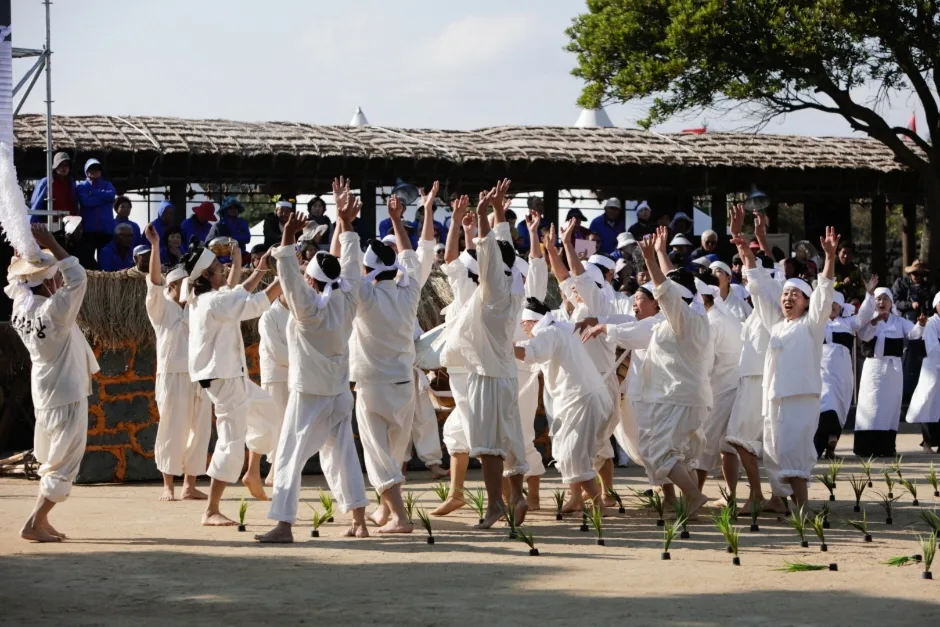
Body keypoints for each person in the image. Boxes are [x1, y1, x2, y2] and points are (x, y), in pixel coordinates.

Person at [257, 179, 370, 542]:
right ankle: (359, 521)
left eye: (308, 275)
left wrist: (287, 236)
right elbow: (349, 262)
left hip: (308, 395)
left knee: (288, 457)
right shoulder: (347, 298)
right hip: (338, 391)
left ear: (313, 281)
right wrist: (345, 222)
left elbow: (289, 277)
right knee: (344, 455)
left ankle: (284, 525)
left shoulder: (309, 311)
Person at [734, 213, 839, 509]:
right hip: (774, 398)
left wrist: (830, 258)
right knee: (775, 452)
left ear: (805, 301)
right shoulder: (777, 325)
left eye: (795, 294)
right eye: (785, 294)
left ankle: (803, 510)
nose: (787, 298)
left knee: (794, 452)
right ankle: (783, 503)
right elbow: (758, 289)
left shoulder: (811, 325)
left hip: (800, 398)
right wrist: (745, 251)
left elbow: (824, 294)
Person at [441, 179, 529, 529]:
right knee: (511, 438)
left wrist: (481, 216)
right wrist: (496, 213)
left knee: (489, 446)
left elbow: (492, 251)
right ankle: (517, 495)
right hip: (505, 373)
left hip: (485, 375)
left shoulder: (494, 292)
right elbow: (503, 247)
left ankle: (495, 505)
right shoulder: (514, 282)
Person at [8, 224, 99, 542]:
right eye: (54, 276)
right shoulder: (53, 312)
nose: (59, 279)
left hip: (46, 390)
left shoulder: (21, 306)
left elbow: (17, 282)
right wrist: (51, 244)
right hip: (65, 391)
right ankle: (34, 522)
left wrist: (24, 256)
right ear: (49, 282)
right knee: (64, 462)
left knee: (53, 459)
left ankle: (41, 520)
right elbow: (78, 278)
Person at [184, 231, 282, 525]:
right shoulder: (212, 301)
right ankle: (211, 510)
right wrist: (284, 277)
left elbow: (239, 293)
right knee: (231, 442)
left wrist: (261, 269)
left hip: (230, 376)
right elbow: (254, 304)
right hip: (224, 379)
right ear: (206, 275)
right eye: (219, 268)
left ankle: (252, 472)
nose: (224, 269)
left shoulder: (210, 298)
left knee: (268, 412)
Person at [347, 191, 425, 534]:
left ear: (368, 270)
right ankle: (385, 509)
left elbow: (349, 266)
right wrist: (396, 220)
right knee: (393, 453)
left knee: (379, 455)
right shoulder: (410, 291)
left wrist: (346, 223)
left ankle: (400, 517)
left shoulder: (364, 295)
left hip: (373, 385)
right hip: (403, 383)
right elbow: (409, 257)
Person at [631, 225, 711, 515]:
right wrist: (662, 253)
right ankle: (690, 505)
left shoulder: (682, 318)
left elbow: (666, 290)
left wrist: (649, 259)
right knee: (680, 455)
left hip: (676, 396)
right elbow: (674, 285)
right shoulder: (694, 313)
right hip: (688, 396)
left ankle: (693, 495)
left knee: (659, 453)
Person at [514, 297, 612, 508]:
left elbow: (531, 352)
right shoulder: (557, 332)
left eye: (524, 324)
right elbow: (527, 347)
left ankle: (599, 505)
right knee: (567, 452)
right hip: (583, 399)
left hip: (581, 400)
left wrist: (502, 347)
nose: (523, 329)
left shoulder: (548, 332)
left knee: (572, 456)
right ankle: (576, 499)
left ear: (532, 321)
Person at [142, 224, 211, 502]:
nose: (189, 287)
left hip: (199, 374)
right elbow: (154, 281)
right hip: (172, 376)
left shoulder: (196, 306)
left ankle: (189, 485)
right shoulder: (160, 307)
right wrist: (155, 246)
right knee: (172, 428)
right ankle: (168, 485)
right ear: (172, 286)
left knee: (200, 430)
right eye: (184, 283)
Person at [722, 212, 781, 513]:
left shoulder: (770, 301)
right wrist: (759, 238)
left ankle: (758, 493)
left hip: (758, 379)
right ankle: (774, 496)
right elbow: (764, 272)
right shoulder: (761, 305)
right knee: (757, 439)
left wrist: (744, 246)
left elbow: (761, 278)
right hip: (752, 378)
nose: (745, 277)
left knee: (740, 437)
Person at [433, 199, 480, 516]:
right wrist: (469, 231)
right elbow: (460, 258)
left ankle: (510, 497)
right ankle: (456, 493)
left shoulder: (467, 289)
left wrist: (455, 222)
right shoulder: (486, 287)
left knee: (483, 436)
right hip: (466, 370)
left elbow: (450, 257)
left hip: (470, 372)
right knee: (457, 433)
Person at [854, 280, 927, 457]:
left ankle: (886, 447)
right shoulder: (869, 320)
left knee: (889, 407)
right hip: (874, 368)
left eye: (885, 299)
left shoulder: (899, 321)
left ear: (891, 302)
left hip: (893, 371)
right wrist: (875, 322)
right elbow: (863, 335)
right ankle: (866, 447)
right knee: (871, 406)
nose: (882, 302)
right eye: (878, 299)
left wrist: (921, 324)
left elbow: (913, 334)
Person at [691, 274, 742, 490]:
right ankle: (730, 495)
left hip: (718, 391)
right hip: (735, 388)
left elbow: (705, 364)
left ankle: (695, 495)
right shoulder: (727, 317)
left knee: (704, 446)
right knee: (727, 446)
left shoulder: (711, 323)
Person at [813, 291, 860, 458]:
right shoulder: (816, 322)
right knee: (825, 403)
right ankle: (816, 448)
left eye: (836, 304)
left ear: (841, 307)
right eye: (829, 303)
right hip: (821, 370)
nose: (832, 306)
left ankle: (831, 445)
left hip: (842, 372)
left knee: (840, 406)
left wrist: (869, 295)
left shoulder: (849, 323)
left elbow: (866, 315)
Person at [258, 285, 291, 488]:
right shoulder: (268, 316)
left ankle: (280, 470)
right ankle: (274, 470)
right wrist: (303, 359)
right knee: (277, 424)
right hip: (276, 377)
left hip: (296, 376)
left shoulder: (298, 313)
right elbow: (275, 351)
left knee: (290, 425)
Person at [906, 293, 940, 452]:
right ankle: (927, 442)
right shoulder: (931, 323)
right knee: (928, 403)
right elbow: (932, 348)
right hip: (932, 369)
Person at [75, 158, 117, 252]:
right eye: (91, 168)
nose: (94, 171)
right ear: (86, 171)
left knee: (105, 257)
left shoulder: (107, 184)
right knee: (88, 258)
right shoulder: (82, 186)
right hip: (88, 230)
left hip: (106, 229)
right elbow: (85, 202)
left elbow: (111, 196)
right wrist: (104, 200)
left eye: (97, 168)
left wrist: (93, 192)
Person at [29, 151, 78, 220]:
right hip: (50, 222)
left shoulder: (71, 183)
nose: (64, 168)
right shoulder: (47, 182)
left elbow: (74, 204)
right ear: (55, 167)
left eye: (66, 165)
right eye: (60, 165)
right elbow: (35, 202)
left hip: (69, 221)